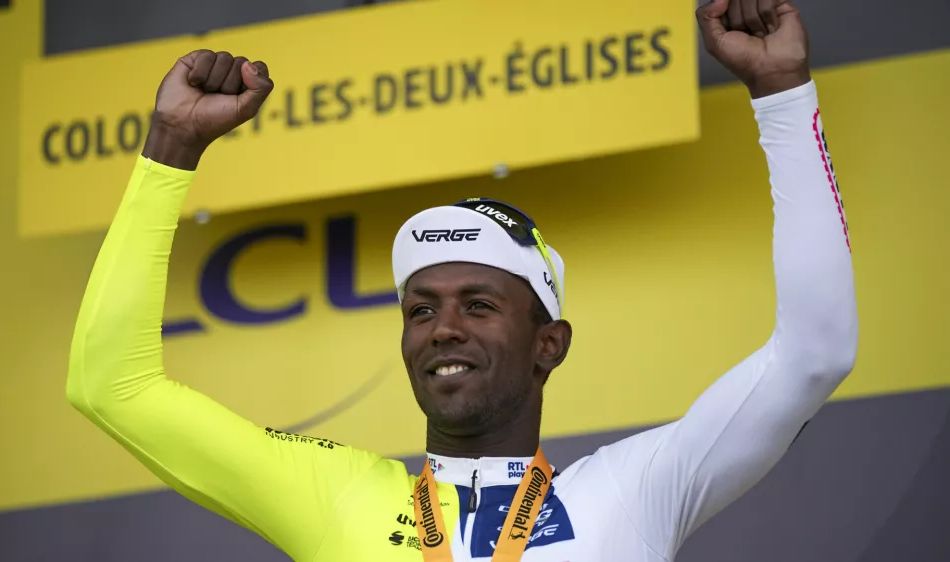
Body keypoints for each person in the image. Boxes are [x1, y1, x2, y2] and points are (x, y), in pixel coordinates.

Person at [66, 0, 858, 559]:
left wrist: (782, 98)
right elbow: (113, 386)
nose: (442, 329)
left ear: (549, 344)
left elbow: (814, 353)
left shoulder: (635, 492)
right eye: (421, 309)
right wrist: (170, 147)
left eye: (478, 305)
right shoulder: (334, 493)